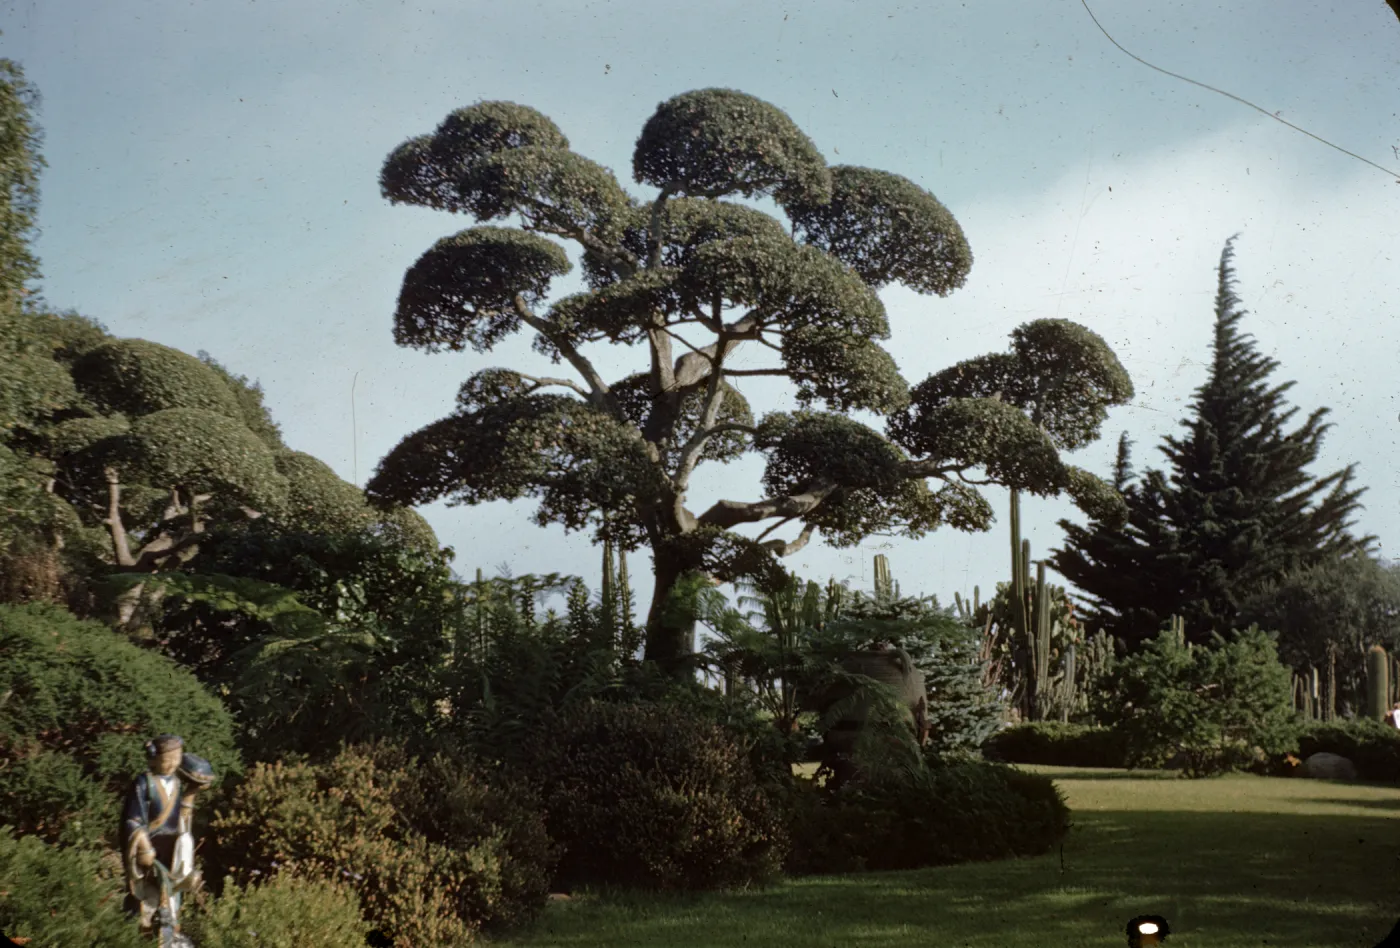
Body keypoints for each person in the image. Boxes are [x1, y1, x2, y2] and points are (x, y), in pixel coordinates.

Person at [119, 735, 214, 936]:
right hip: (151, 843)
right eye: (167, 759)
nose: (171, 764)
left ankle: (182, 877)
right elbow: (132, 819)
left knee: (184, 846)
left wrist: (191, 793)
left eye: (176, 758)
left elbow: (182, 816)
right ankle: (145, 928)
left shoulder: (178, 784)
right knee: (149, 894)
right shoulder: (144, 783)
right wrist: (144, 846)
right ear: (154, 758)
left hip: (171, 845)